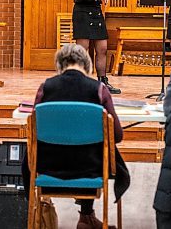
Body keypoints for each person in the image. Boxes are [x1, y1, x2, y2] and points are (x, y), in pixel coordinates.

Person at [22, 43, 130, 229]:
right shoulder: (99, 89)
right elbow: (117, 135)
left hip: (49, 166)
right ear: (87, 64)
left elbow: (35, 129)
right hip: (89, 168)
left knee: (38, 150)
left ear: (59, 64)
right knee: (94, 149)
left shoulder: (45, 88)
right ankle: (87, 216)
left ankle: (69, 216)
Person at [72, 0, 135, 94]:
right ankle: (80, 82)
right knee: (83, 49)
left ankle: (103, 82)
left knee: (102, 48)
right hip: (82, 12)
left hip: (96, 12)